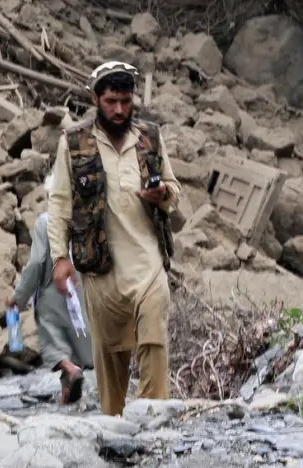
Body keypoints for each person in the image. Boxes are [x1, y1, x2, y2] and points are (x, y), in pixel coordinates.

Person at [46, 60, 182, 417]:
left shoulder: (150, 138)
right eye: (111, 101)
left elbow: (175, 190)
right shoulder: (73, 144)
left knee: (154, 337)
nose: (119, 109)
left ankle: (153, 419)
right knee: (110, 357)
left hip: (148, 262)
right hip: (101, 269)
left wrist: (162, 194)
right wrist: (60, 259)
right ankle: (113, 425)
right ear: (95, 99)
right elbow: (60, 203)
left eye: (125, 100)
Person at [8, 204, 93, 405]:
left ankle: (71, 371)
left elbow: (37, 263)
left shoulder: (46, 222)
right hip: (82, 291)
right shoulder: (87, 219)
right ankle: (68, 392)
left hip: (53, 291)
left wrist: (18, 298)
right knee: (75, 343)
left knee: (53, 345)